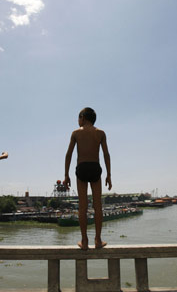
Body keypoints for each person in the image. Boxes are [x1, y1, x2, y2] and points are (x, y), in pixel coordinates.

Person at [64, 107, 112, 250]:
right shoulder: (100, 133)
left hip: (82, 167)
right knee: (98, 206)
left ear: (83, 117)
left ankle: (84, 241)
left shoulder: (76, 133)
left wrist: (66, 175)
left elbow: (69, 155)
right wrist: (109, 175)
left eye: (78, 118)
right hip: (95, 167)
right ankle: (98, 240)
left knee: (83, 207)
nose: (78, 121)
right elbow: (106, 155)